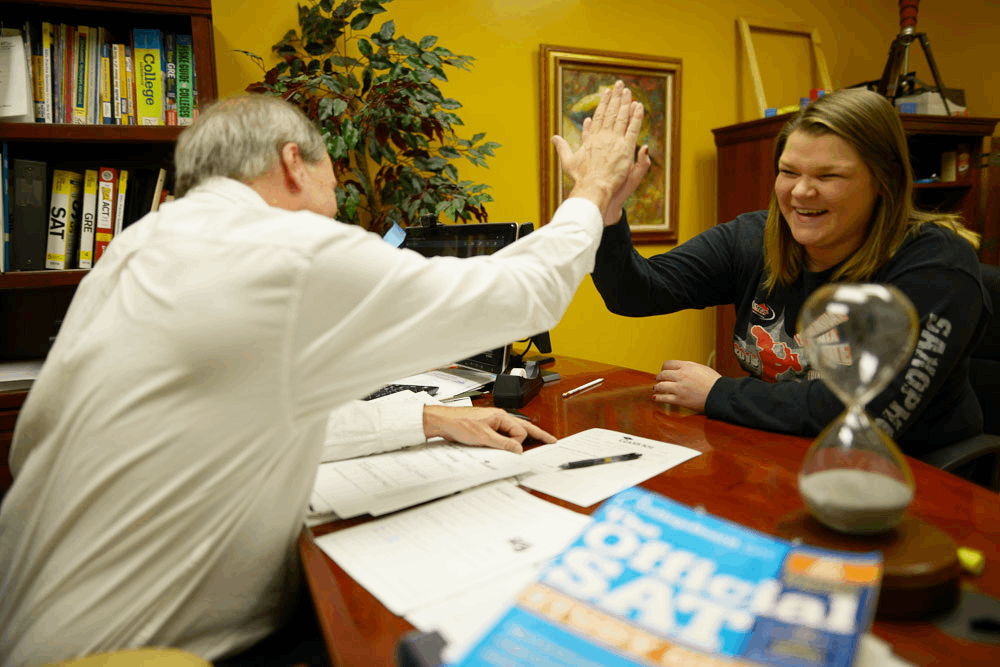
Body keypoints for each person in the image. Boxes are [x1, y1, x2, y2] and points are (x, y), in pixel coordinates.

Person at [0, 82, 646, 665]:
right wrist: (590, 189)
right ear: (292, 163)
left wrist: (425, 415)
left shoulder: (139, 248)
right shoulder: (277, 248)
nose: (336, 210)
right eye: (334, 186)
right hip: (142, 652)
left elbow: (238, 410)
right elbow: (521, 295)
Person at [592, 88, 990, 460]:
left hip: (907, 472)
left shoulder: (938, 264)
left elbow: (867, 410)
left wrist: (718, 393)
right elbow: (635, 294)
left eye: (828, 176)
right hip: (786, 452)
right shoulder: (752, 239)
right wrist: (607, 208)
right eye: (789, 171)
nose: (801, 192)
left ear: (883, 181)